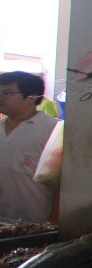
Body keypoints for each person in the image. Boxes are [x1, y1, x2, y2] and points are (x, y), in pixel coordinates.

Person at [0, 71, 59, 223]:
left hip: (34, 222)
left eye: (6, 92)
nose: (1, 97)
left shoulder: (52, 129)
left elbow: (62, 181)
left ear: (32, 97)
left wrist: (55, 219)